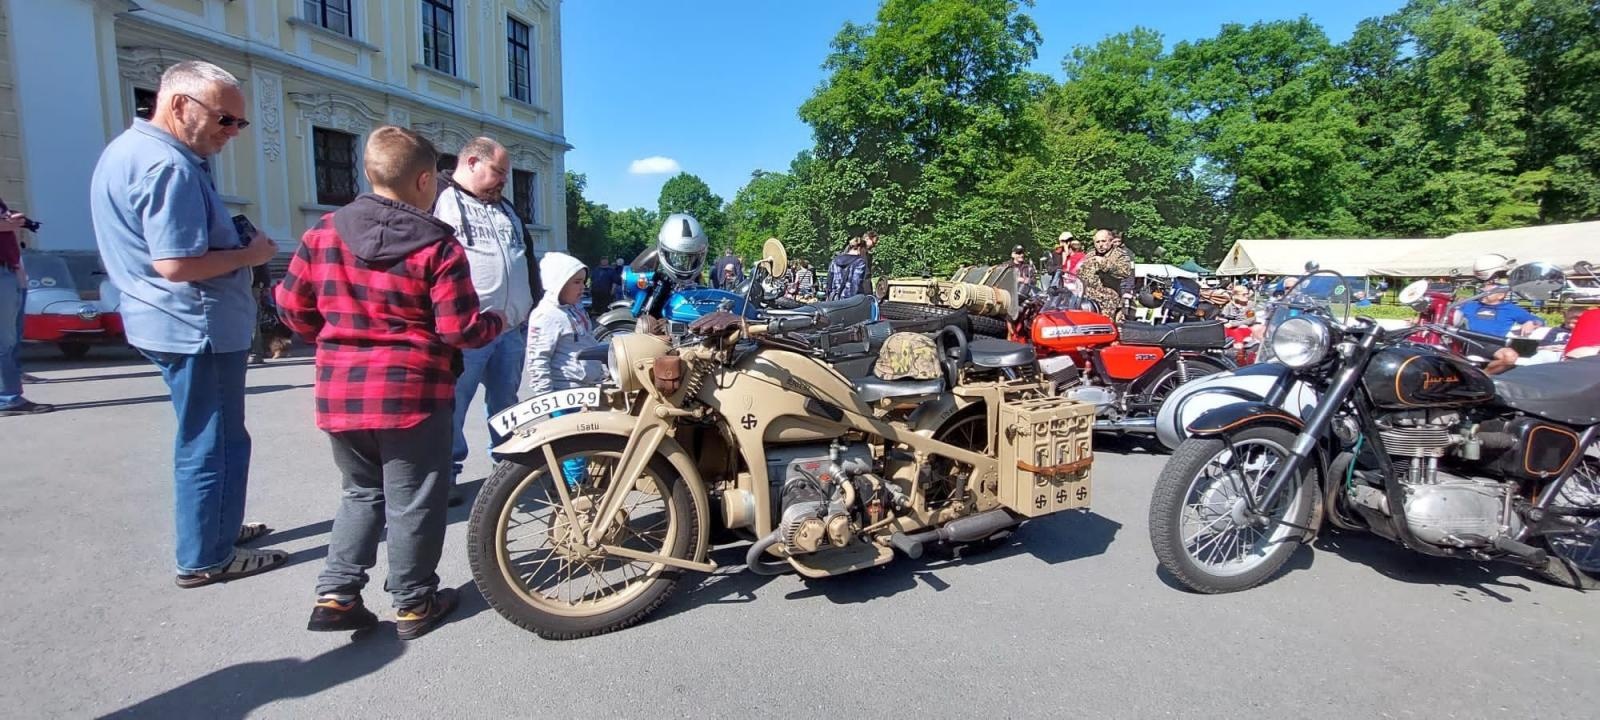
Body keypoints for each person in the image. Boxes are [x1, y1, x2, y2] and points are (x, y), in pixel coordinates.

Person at [277, 126, 505, 638]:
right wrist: (497, 322)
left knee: (360, 492)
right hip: (412, 392)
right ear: (425, 180)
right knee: (413, 499)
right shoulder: (438, 247)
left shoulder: (322, 235)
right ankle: (413, 602)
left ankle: (336, 595)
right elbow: (459, 329)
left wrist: (335, 340)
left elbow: (291, 309)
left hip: (340, 391)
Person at [89, 60, 286, 586]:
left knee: (206, 436)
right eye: (225, 121)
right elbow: (175, 263)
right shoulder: (168, 166)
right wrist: (250, 255)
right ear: (180, 105)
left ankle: (215, 529)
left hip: (168, 321)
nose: (232, 134)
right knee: (214, 441)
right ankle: (207, 557)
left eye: (239, 124)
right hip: (194, 325)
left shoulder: (132, 151)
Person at [432, 137, 538, 506]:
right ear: (473, 162)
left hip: (509, 329)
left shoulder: (506, 207)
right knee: (452, 405)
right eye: (498, 172)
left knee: (506, 404)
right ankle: (445, 475)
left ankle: (508, 473)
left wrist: (533, 304)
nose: (503, 182)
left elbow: (526, 257)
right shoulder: (440, 198)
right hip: (465, 330)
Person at [525, 252, 606, 482]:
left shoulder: (575, 309)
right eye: (577, 282)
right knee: (574, 450)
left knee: (584, 446)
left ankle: (572, 485)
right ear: (558, 283)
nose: (583, 287)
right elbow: (537, 359)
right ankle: (573, 495)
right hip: (563, 395)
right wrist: (545, 399)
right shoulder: (546, 316)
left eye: (583, 281)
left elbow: (589, 343)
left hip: (583, 392)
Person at [1, 197, 52, 416]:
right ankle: (7, 399)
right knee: (3, 342)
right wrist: (9, 222)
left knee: (9, 340)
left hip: (8, 270)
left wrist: (13, 218)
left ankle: (9, 395)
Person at [1076, 228, 1134, 313]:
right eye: (1098, 242)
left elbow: (1125, 272)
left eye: (1103, 241)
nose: (1100, 245)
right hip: (1088, 301)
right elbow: (1080, 274)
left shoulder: (1120, 255)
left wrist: (1104, 263)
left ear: (1111, 241)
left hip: (1108, 301)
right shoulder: (1090, 255)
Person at [1458, 284, 1543, 339]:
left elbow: (1539, 320)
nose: (1482, 295)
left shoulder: (1510, 309)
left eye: (1487, 293)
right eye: (1481, 292)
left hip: (1491, 344)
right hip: (1464, 340)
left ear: (1500, 296)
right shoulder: (1470, 305)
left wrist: (1532, 322)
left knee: (1509, 356)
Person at [826, 237, 870, 301]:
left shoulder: (835, 260)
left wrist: (829, 296)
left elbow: (829, 281)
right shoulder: (859, 262)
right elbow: (855, 284)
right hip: (848, 300)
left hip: (833, 298)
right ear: (860, 248)